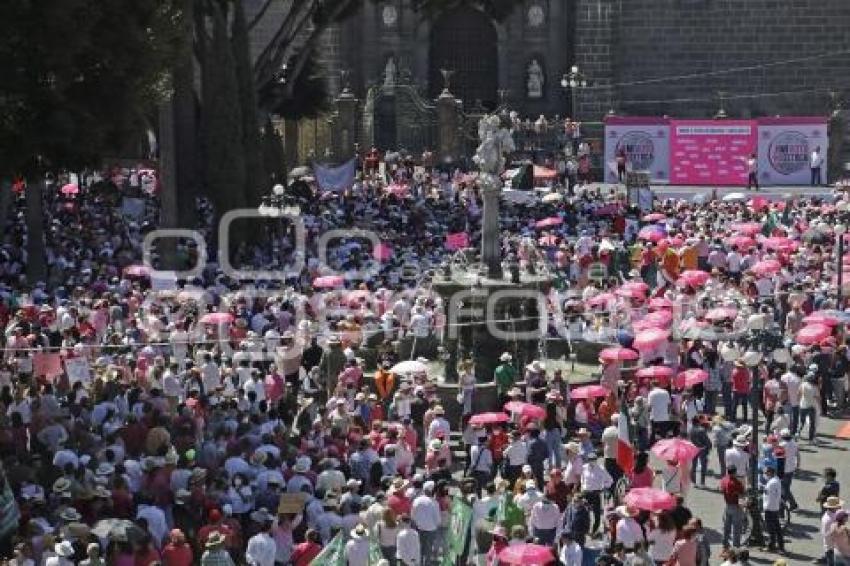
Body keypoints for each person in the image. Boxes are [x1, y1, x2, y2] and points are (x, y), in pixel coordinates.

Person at [719, 466, 745, 549]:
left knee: (726, 527)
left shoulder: (724, 480)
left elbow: (720, 489)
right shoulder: (736, 482)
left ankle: (725, 544)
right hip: (736, 506)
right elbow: (742, 491)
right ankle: (736, 547)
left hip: (727, 506)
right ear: (734, 472)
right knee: (736, 529)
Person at [762, 465, 785, 554]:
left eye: (766, 473)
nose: (765, 474)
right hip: (775, 507)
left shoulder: (772, 483)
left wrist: (765, 508)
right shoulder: (776, 480)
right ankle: (778, 546)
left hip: (770, 508)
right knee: (777, 528)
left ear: (770, 473)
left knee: (771, 529)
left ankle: (772, 546)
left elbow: (768, 494)